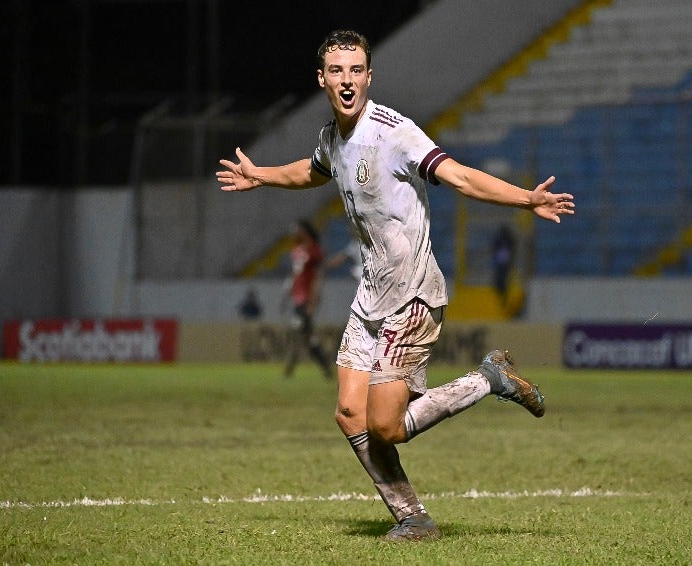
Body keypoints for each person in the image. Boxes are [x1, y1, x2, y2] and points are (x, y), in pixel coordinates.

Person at [216, 29, 575, 541]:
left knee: (386, 426)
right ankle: (414, 518)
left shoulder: (395, 132)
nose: (347, 80)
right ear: (322, 79)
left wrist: (526, 199)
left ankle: (487, 380)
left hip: (412, 296)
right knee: (347, 413)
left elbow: (461, 178)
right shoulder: (332, 138)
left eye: (356, 70)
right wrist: (262, 175)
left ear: (368, 76)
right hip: (371, 297)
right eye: (337, 70)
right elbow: (314, 171)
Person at [282, 219, 332, 380]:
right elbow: (294, 276)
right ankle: (326, 367)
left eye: (297, 229)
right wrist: (286, 296)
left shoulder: (315, 251)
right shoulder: (296, 251)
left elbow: (318, 278)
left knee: (299, 333)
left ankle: (289, 370)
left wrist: (313, 302)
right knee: (307, 337)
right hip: (297, 299)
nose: (293, 232)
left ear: (305, 232)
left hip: (307, 300)